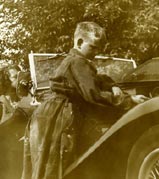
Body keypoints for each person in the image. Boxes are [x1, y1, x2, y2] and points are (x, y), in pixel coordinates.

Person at [21, 21, 147, 179]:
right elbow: (93, 95)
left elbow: (97, 79)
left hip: (48, 113)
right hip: (58, 114)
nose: (96, 52)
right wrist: (129, 100)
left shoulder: (75, 60)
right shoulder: (78, 62)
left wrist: (113, 86)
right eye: (93, 47)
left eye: (99, 48)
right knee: (57, 163)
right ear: (80, 42)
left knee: (44, 163)